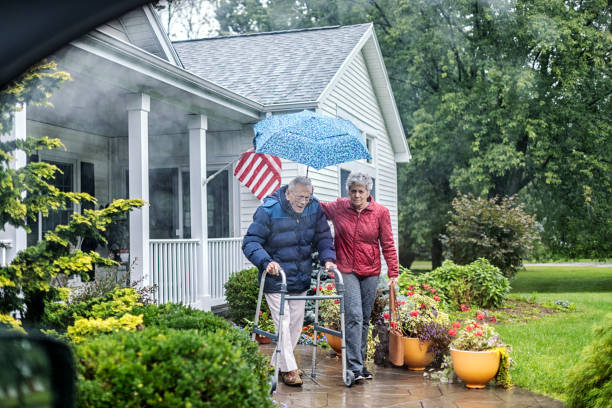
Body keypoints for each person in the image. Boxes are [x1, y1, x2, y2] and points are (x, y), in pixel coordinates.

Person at [242, 176, 336, 386]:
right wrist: (266, 261)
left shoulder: (314, 208)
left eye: (308, 196)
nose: (304, 201)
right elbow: (250, 242)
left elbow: (323, 236)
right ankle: (290, 370)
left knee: (295, 324)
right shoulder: (268, 210)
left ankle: (277, 365)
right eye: (300, 197)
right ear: (288, 193)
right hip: (276, 277)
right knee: (283, 323)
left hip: (300, 277)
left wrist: (328, 259)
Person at [321, 172, 399, 381]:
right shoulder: (339, 207)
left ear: (368, 192)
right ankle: (354, 367)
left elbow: (388, 243)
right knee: (354, 315)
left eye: (360, 191)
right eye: (352, 191)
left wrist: (393, 271)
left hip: (371, 271)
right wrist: (299, 193)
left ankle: (361, 365)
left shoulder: (380, 212)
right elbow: (316, 208)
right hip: (346, 270)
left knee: (364, 319)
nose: (356, 195)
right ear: (347, 191)